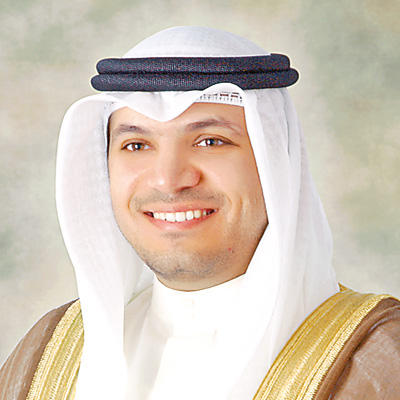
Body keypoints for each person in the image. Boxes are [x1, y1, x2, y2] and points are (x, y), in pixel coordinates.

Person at [1, 26, 399, 400]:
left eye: (210, 141)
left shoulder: (377, 359)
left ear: (277, 162)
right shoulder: (51, 354)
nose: (168, 180)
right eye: (136, 145)